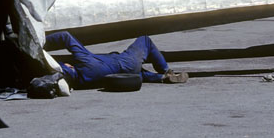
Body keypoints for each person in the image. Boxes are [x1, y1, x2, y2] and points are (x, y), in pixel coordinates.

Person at [44, 31, 188, 89]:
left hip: (123, 74)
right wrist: (40, 44)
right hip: (126, 63)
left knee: (136, 75)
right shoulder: (84, 60)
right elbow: (65, 36)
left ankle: (161, 78)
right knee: (145, 40)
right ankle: (166, 71)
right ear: (71, 67)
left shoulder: (80, 84)